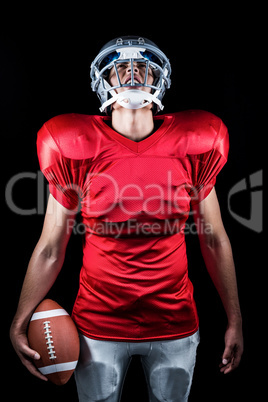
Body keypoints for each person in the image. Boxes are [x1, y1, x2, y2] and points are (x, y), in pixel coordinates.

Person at [10, 36, 243, 402]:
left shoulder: (196, 143)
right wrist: (19, 321)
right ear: (103, 81)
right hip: (98, 323)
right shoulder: (73, 146)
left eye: (142, 67)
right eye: (121, 68)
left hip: (174, 320)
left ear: (161, 78)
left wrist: (235, 319)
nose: (133, 74)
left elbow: (214, 239)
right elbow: (51, 248)